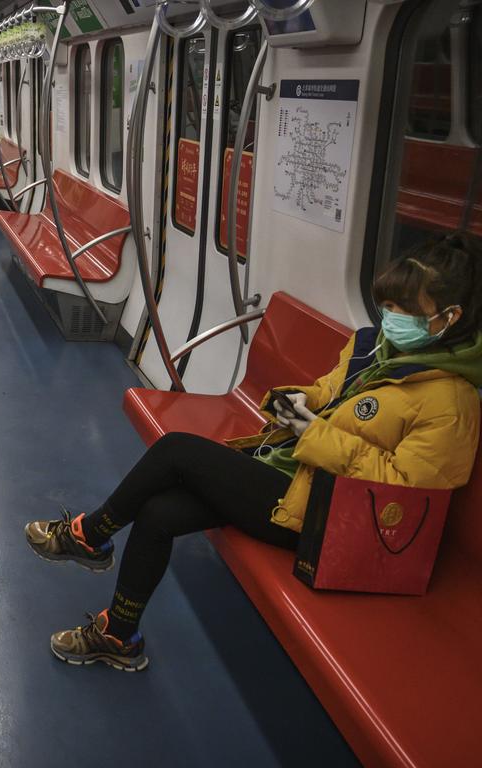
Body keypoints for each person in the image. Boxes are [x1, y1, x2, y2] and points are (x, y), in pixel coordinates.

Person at [25, 233, 482, 671]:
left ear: (449, 317)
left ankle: (90, 534)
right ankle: (119, 636)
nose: (389, 316)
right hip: (291, 472)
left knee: (177, 450)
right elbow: (329, 392)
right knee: (159, 513)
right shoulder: (376, 348)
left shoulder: (452, 401)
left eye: (404, 309)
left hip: (330, 518)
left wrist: (316, 435)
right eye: (384, 304)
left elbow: (407, 490)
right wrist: (299, 402)